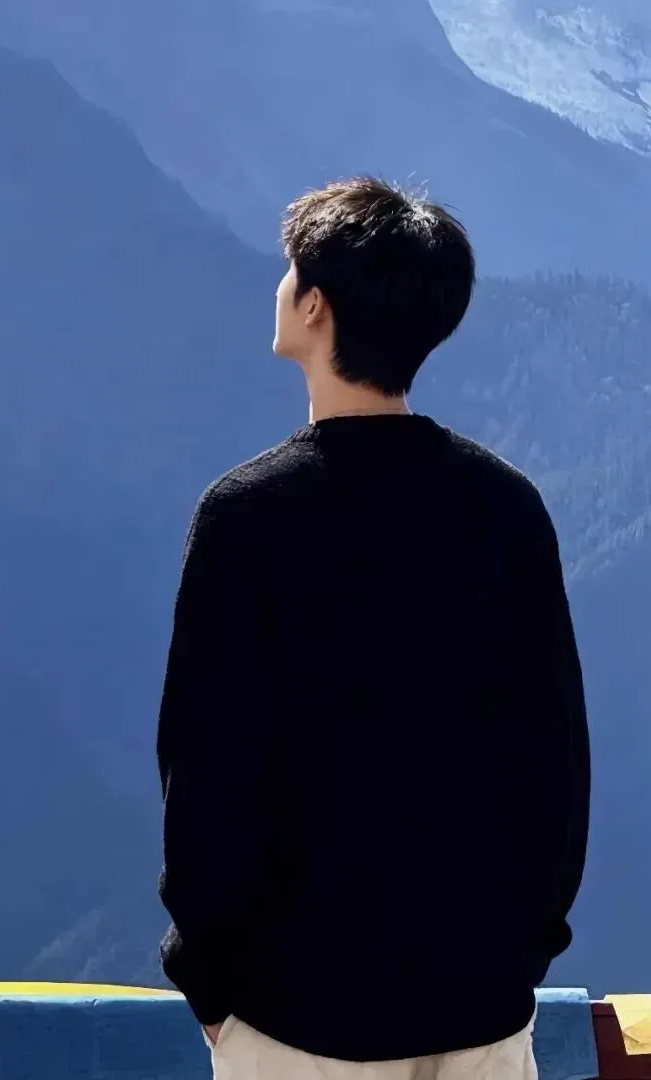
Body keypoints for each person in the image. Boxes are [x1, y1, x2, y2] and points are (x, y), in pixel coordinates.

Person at [156, 177, 590, 1080]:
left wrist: (208, 982)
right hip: (479, 1007)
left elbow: (209, 773)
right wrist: (522, 952)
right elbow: (552, 761)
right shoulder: (507, 509)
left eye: (291, 273)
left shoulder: (248, 515)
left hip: (296, 1013)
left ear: (316, 307)